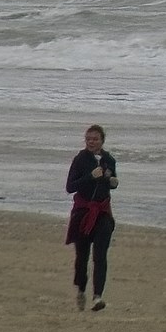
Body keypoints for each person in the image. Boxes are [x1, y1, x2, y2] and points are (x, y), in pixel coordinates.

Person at [65, 124, 117, 311]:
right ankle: (81, 290)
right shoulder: (80, 160)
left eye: (95, 139)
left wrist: (113, 182)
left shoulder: (109, 160)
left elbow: (111, 182)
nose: (91, 142)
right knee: (82, 257)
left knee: (100, 256)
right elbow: (70, 187)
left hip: (102, 212)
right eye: (88, 139)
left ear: (102, 141)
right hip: (83, 213)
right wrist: (90, 176)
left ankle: (98, 297)